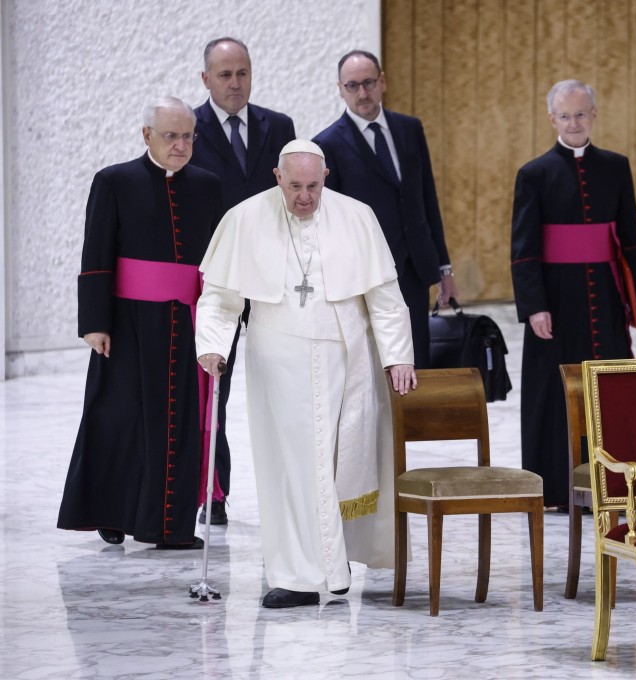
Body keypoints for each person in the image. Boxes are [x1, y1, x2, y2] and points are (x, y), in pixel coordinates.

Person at [195, 139, 416, 608]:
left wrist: (398, 356)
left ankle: (335, 567)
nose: (304, 197)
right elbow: (219, 295)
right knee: (288, 465)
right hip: (276, 356)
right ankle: (297, 575)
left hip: (345, 353)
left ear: (326, 177)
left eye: (313, 186)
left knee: (336, 461)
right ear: (278, 177)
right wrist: (213, 345)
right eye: (294, 186)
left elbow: (384, 294)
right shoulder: (245, 218)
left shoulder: (357, 216)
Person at [57, 97, 222, 550]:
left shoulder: (209, 186)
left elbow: (218, 259)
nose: (181, 145)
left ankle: (168, 527)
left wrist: (220, 319)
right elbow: (95, 252)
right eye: (171, 135)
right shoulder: (114, 181)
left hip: (184, 324)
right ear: (146, 135)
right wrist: (94, 322)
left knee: (179, 422)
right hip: (126, 323)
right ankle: (111, 514)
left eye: (188, 136)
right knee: (118, 418)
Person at [509, 80, 636, 507]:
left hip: (605, 296)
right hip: (555, 299)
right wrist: (534, 307)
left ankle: (609, 484)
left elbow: (630, 235)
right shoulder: (534, 174)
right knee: (555, 389)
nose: (574, 122)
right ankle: (555, 486)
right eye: (566, 115)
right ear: (552, 119)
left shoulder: (616, 166)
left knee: (610, 386)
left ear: (595, 114)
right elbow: (523, 247)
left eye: (581, 113)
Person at [188, 36, 298, 525]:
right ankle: (213, 492)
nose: (235, 83)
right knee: (217, 391)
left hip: (274, 278)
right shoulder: (188, 129)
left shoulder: (280, 126)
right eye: (225, 75)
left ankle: (290, 492)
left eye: (242, 73)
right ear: (206, 79)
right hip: (223, 277)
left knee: (283, 385)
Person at [312, 49, 456, 368]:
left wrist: (444, 268)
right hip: (365, 276)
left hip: (414, 270)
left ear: (383, 81)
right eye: (352, 86)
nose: (362, 93)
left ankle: (412, 420)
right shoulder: (327, 145)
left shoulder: (410, 129)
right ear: (340, 89)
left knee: (416, 361)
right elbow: (327, 224)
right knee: (375, 366)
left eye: (368, 82)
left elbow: (427, 199)